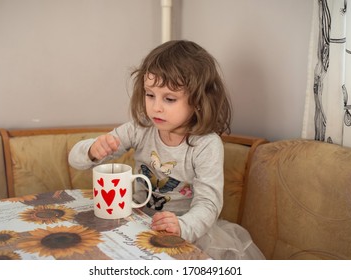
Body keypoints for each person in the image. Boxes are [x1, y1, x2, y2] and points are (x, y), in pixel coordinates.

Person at [68, 40, 265, 259]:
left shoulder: (206, 145)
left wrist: (182, 226)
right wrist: (93, 150)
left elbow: (208, 203)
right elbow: (75, 160)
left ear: (198, 102)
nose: (156, 107)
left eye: (169, 99)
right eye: (150, 94)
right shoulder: (140, 129)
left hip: (187, 232)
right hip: (140, 224)